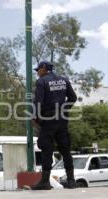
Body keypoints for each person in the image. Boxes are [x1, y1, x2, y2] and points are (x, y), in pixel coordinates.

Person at [32, 61, 77, 190]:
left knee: (46, 149)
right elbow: (73, 98)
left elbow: (38, 102)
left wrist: (35, 117)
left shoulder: (42, 82)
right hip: (62, 119)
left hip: (48, 119)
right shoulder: (64, 80)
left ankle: (45, 182)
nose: (37, 73)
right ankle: (71, 181)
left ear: (44, 69)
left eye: (38, 70)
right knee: (65, 149)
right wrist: (63, 109)